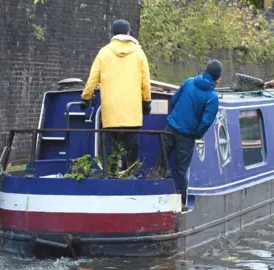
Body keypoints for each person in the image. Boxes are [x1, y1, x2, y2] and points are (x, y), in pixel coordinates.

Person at [80, 19, 151, 171]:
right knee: (131, 150)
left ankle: (111, 176)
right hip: (132, 113)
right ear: (128, 33)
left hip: (111, 112)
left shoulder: (104, 53)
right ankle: (130, 175)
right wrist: (146, 102)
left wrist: (85, 97)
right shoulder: (139, 53)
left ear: (113, 34)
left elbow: (93, 78)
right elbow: (146, 82)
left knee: (110, 148)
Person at [158, 60, 222, 209]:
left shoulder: (188, 82)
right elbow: (206, 122)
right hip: (187, 135)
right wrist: (196, 134)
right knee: (181, 169)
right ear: (217, 77)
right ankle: (179, 203)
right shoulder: (212, 97)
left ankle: (154, 194)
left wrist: (175, 118)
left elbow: (174, 100)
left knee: (161, 161)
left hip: (171, 127)